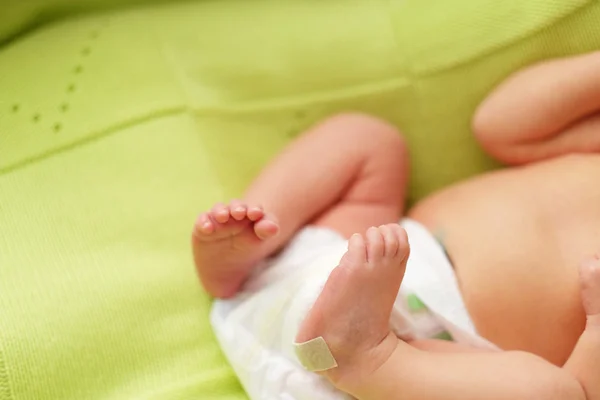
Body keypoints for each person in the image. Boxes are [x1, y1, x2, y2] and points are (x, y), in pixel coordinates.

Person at [192, 51, 600, 399]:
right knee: (367, 140)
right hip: (336, 262)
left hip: (429, 363)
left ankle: (369, 362)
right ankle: (253, 244)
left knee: (557, 393)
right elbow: (499, 123)